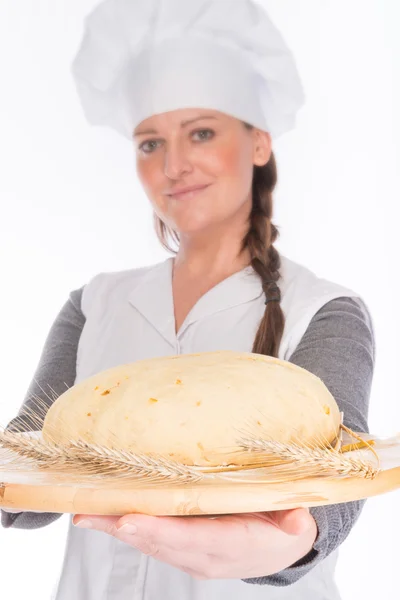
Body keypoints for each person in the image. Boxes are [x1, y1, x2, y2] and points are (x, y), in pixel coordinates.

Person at [1, 0, 375, 599]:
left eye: (201, 132)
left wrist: (293, 538)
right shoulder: (94, 302)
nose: (174, 165)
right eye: (150, 143)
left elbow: (343, 469)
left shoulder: (325, 309)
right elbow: (35, 462)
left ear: (258, 143)